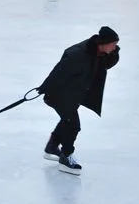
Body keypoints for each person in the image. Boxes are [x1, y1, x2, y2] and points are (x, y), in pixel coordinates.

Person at [37, 26, 121, 175]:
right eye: (113, 44)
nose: (115, 48)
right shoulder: (78, 54)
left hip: (73, 93)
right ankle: (66, 157)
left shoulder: (98, 52)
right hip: (58, 94)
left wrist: (115, 52)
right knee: (73, 125)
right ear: (104, 43)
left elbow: (107, 64)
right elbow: (58, 73)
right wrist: (44, 88)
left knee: (67, 119)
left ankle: (51, 147)